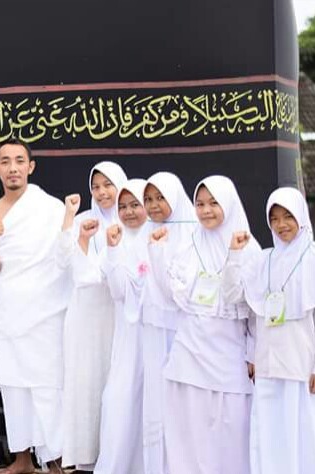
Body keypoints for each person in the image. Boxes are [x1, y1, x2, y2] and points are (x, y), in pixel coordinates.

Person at [150, 176, 257, 474]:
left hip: (229, 359)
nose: (206, 210)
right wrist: (157, 254)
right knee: (187, 434)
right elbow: (170, 297)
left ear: (229, 204)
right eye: (200, 203)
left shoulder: (248, 247)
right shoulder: (188, 244)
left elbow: (249, 307)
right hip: (189, 354)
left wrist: (253, 354)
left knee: (230, 434)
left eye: (214, 203)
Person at [0, 138, 70, 474]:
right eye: (5, 161)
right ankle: (22, 459)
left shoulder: (52, 208)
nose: (13, 167)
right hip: (11, 310)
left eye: (19, 160)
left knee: (47, 385)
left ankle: (56, 457)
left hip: (47, 309)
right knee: (15, 387)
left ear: (30, 166)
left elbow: (66, 255)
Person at [224, 187, 315, 474]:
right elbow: (232, 295)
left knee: (302, 432)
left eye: (288, 216)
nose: (281, 225)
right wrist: (235, 255)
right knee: (270, 435)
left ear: (301, 217)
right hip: (267, 365)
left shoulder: (312, 259)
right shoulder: (263, 260)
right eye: (274, 219)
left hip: (303, 366)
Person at [59, 161, 127, 470]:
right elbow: (66, 263)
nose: (101, 192)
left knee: (116, 383)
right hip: (86, 316)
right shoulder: (84, 220)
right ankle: (87, 458)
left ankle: (117, 456)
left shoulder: (132, 220)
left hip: (119, 315)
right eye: (96, 186)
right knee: (87, 384)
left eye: (107, 185)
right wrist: (73, 224)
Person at [141, 172, 197, 474]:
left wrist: (158, 252)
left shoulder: (193, 234)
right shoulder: (148, 231)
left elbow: (177, 293)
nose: (153, 205)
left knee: (181, 406)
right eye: (148, 199)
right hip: (152, 330)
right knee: (157, 405)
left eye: (160, 197)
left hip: (182, 332)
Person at [94, 179, 150, 474]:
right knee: (120, 400)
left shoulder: (160, 237)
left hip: (157, 335)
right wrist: (114, 250)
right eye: (123, 206)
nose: (128, 213)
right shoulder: (114, 242)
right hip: (128, 338)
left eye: (135, 205)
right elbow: (117, 291)